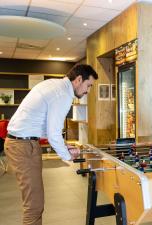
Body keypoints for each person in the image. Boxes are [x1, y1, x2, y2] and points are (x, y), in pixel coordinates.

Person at [4, 64, 98, 225]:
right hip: (23, 146)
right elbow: (54, 132)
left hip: (22, 143)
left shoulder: (54, 85)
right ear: (78, 79)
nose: (87, 91)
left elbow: (46, 126)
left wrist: (64, 145)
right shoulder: (63, 94)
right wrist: (68, 156)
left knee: (34, 203)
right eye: (88, 86)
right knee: (34, 205)